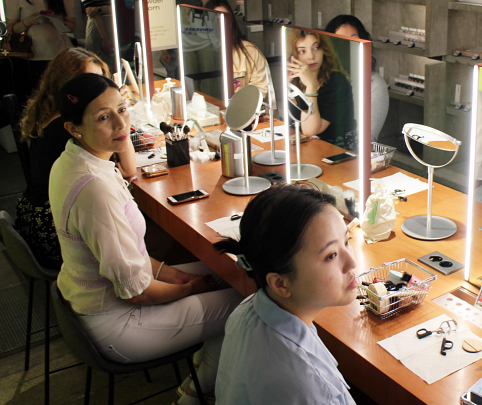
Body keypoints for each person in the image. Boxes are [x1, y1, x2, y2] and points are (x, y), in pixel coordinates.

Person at [50, 73, 242, 405]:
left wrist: (171, 272)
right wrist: (188, 288)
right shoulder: (93, 187)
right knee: (244, 303)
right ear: (73, 128)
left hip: (91, 303)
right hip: (119, 323)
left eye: (122, 109)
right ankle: (195, 393)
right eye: (103, 117)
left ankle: (203, 374)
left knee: (230, 272)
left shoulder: (75, 160)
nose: (120, 123)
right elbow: (136, 291)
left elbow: (126, 253)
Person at [215, 184, 357, 405]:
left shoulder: (247, 310)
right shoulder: (310, 386)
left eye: (347, 241)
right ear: (280, 283)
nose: (352, 262)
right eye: (331, 255)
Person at [16, 48, 134, 270]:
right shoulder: (68, 129)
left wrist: (115, 108)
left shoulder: (50, 112)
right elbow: (128, 170)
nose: (97, 87)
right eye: (89, 80)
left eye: (101, 79)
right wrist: (123, 117)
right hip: (51, 233)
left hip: (32, 217)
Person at [4, 0, 75, 96]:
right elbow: (11, 29)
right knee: (37, 97)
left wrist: (56, 22)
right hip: (31, 56)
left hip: (59, 53)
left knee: (61, 96)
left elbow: (72, 25)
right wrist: (29, 21)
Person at [287, 29, 357, 151]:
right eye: (302, 51)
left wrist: (310, 86)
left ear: (324, 50)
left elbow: (310, 131)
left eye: (316, 48)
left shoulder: (337, 81)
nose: (311, 56)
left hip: (338, 151)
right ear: (293, 56)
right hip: (307, 148)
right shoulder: (294, 79)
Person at [324, 15, 389, 142]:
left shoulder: (375, 85)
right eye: (341, 39)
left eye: (354, 39)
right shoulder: (324, 78)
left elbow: (365, 139)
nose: (350, 45)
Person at [205, 0, 273, 97]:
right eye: (215, 19)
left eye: (225, 18)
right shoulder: (201, 53)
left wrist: (239, 99)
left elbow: (262, 88)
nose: (221, 23)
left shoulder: (249, 51)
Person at [160, 0, 210, 79]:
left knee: (204, 77)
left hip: (200, 42)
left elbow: (212, 12)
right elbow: (162, 22)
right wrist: (164, 50)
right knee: (180, 79)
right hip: (177, 45)